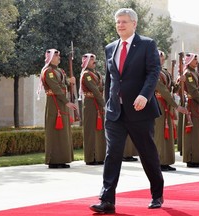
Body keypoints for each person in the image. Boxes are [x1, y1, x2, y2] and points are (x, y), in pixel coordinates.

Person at [90, 8, 164, 214]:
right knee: (112, 154)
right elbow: (110, 80)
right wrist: (107, 104)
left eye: (124, 21)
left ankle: (157, 194)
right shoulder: (110, 48)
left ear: (134, 24)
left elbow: (153, 72)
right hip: (115, 112)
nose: (120, 25)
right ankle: (107, 200)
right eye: (117, 22)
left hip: (140, 109)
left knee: (147, 154)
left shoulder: (147, 45)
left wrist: (144, 95)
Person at [37, 48, 77, 169]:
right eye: (56, 56)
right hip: (54, 103)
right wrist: (66, 102)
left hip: (61, 103)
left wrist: (71, 81)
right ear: (50, 58)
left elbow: (64, 84)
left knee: (63, 132)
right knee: (55, 132)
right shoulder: (48, 71)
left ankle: (62, 159)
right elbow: (56, 88)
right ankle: (54, 160)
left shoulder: (60, 71)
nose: (59, 58)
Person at [155, 50, 188, 171]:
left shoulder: (164, 72)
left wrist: (180, 81)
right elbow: (163, 91)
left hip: (166, 104)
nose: (161, 59)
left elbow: (173, 88)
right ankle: (158, 161)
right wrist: (176, 106)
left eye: (162, 57)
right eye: (159, 57)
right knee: (159, 133)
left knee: (166, 133)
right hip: (158, 104)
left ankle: (166, 160)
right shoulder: (153, 72)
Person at [79, 53, 106, 165]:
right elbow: (95, 89)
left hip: (98, 103)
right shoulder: (86, 74)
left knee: (99, 131)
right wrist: (103, 103)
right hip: (90, 104)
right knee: (91, 130)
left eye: (94, 60)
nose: (94, 62)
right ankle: (91, 157)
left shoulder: (97, 74)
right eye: (92, 60)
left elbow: (102, 87)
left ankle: (99, 156)